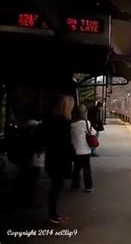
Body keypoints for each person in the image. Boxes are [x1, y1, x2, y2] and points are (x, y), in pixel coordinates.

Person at [43, 95, 75, 224]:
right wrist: (72, 154)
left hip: (52, 158)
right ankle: (53, 216)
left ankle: (54, 214)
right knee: (56, 187)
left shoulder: (53, 120)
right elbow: (65, 143)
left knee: (56, 187)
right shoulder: (63, 122)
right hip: (59, 160)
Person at [70, 105, 95, 192]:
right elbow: (93, 133)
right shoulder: (86, 123)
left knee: (76, 169)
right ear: (85, 113)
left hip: (75, 150)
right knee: (86, 169)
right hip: (85, 150)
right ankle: (88, 186)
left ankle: (75, 186)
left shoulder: (72, 124)